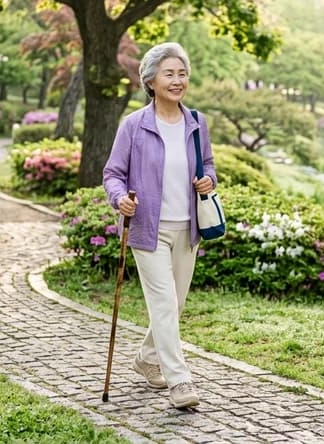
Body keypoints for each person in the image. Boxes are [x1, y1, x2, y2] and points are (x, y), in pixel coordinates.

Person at [102, 42, 216, 409]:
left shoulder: (197, 123)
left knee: (176, 305)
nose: (177, 80)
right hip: (148, 229)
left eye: (182, 73)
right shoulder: (134, 126)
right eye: (170, 73)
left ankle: (146, 360)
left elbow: (209, 166)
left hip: (188, 228)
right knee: (165, 303)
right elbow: (113, 174)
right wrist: (120, 198)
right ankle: (180, 381)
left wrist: (208, 181)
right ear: (150, 81)